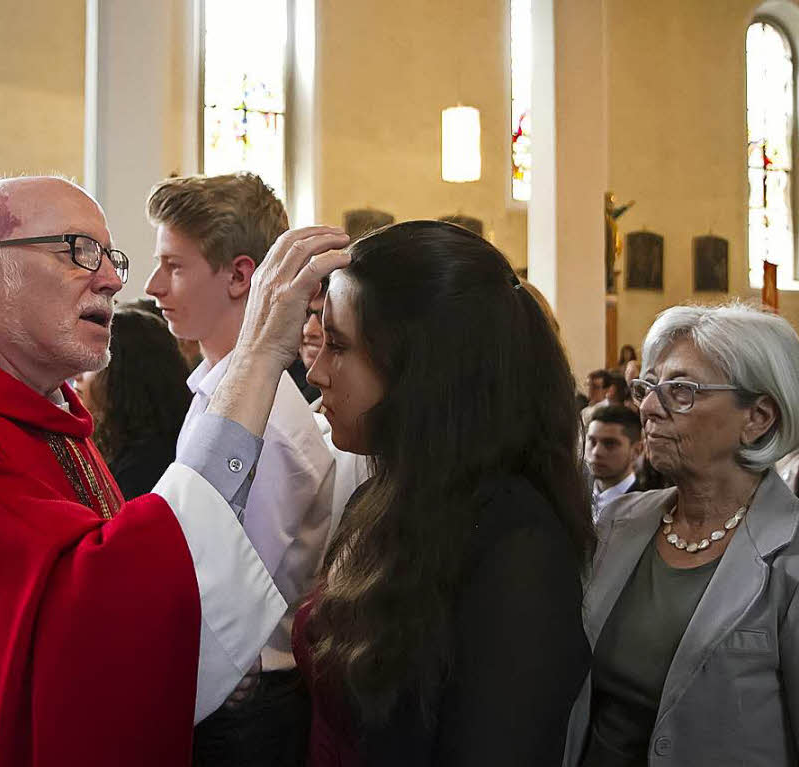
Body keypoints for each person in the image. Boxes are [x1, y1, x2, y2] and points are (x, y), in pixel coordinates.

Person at [0, 174, 351, 766]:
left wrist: (208, 649)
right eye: (78, 251)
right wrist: (260, 352)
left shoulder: (42, 417)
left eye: (111, 256)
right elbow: (78, 630)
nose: (113, 277)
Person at [291, 220, 593, 765]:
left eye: (337, 345)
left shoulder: (518, 548)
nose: (314, 372)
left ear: (422, 369)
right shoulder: (379, 497)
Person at [145, 172, 334, 766]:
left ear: (239, 275)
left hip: (243, 705)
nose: (153, 286)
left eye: (174, 266)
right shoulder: (216, 391)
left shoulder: (267, 415)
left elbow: (220, 594)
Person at [563, 303, 799, 766]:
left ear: (758, 417)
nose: (648, 407)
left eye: (681, 390)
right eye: (649, 387)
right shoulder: (618, 523)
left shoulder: (790, 553)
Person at [76, 305, 191, 500]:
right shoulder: (115, 441)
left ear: (124, 375)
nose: (77, 375)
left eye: (93, 361)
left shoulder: (143, 471)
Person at [585, 404, 642, 521]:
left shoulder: (647, 507)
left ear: (636, 451)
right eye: (592, 441)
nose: (597, 452)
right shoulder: (574, 495)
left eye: (610, 443)